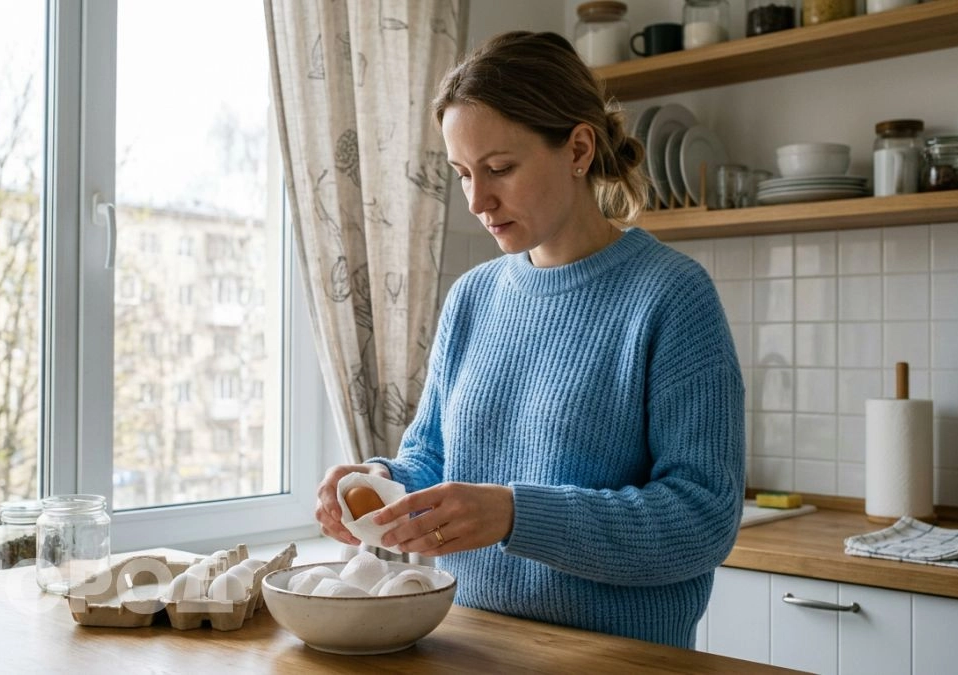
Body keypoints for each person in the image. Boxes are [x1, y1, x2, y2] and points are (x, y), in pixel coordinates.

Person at [315, 30, 744, 650]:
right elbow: (431, 461)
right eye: (462, 173)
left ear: (577, 148)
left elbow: (701, 521)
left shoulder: (672, 295)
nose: (478, 200)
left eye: (499, 169)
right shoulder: (474, 296)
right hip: (466, 643)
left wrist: (517, 515)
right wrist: (374, 486)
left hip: (617, 659)